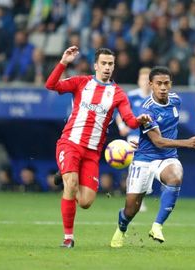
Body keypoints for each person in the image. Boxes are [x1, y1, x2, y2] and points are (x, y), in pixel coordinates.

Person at [44, 46, 151, 248]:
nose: (107, 67)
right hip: (71, 143)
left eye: (111, 64)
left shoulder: (118, 94)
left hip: (92, 152)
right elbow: (51, 85)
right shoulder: (81, 82)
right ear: (96, 65)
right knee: (72, 183)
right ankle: (68, 238)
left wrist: (140, 120)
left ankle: (65, 175)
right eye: (104, 63)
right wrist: (63, 62)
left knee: (85, 202)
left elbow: (129, 120)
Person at [110, 66, 195, 248]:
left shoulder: (176, 101)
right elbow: (159, 141)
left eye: (166, 83)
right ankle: (121, 228)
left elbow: (164, 140)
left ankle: (157, 226)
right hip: (144, 158)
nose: (163, 87)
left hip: (167, 158)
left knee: (176, 176)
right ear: (151, 85)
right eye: (159, 83)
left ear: (171, 84)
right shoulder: (146, 110)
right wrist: (188, 143)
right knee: (132, 208)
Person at [115, 67, 152, 212]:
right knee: (134, 170)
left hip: (150, 138)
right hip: (134, 137)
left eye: (147, 80)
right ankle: (131, 202)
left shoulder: (155, 98)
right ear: (138, 80)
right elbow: (120, 113)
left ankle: (140, 201)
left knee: (147, 171)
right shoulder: (131, 96)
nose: (144, 82)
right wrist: (120, 126)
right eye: (142, 79)